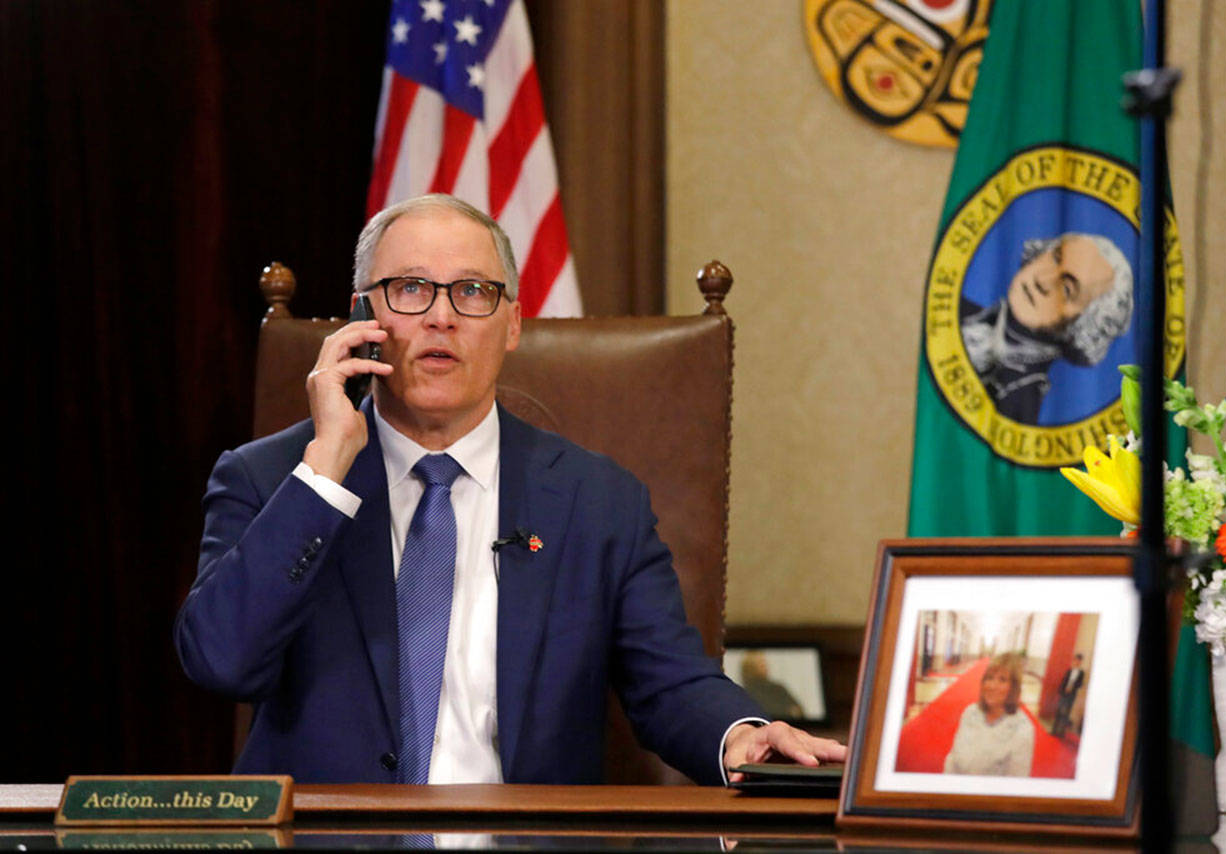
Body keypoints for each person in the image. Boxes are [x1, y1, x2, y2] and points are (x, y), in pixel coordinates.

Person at [175, 193, 845, 785]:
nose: (442, 317)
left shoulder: (596, 500)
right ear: (362, 315)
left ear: (514, 324)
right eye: (411, 288)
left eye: (473, 292)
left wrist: (742, 737)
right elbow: (221, 663)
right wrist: (324, 469)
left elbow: (669, 682)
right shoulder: (271, 480)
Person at [960, 232, 1134, 423]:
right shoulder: (956, 313)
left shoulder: (1019, 407)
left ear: (1084, 326)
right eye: (1055, 258)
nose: (1042, 280)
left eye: (1067, 289)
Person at [943, 653, 1034, 777]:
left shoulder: (1022, 729)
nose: (992, 686)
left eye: (1002, 680)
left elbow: (1015, 783)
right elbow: (953, 757)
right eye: (989, 678)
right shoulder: (970, 712)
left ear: (1013, 687)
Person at [739, 651, 804, 720]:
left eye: (764, 663)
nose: (766, 666)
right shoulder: (744, 693)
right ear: (750, 668)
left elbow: (797, 711)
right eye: (761, 664)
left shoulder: (778, 688)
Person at [1052, 653, 1087, 737]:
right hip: (1064, 694)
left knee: (1066, 713)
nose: (1077, 662)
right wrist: (1061, 691)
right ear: (1074, 660)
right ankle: (1054, 731)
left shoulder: (1081, 673)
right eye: (1076, 660)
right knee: (1059, 712)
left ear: (1081, 662)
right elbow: (1063, 682)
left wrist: (1072, 687)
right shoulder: (1069, 670)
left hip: (1071, 695)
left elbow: (1080, 685)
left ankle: (1061, 733)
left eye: (1079, 660)